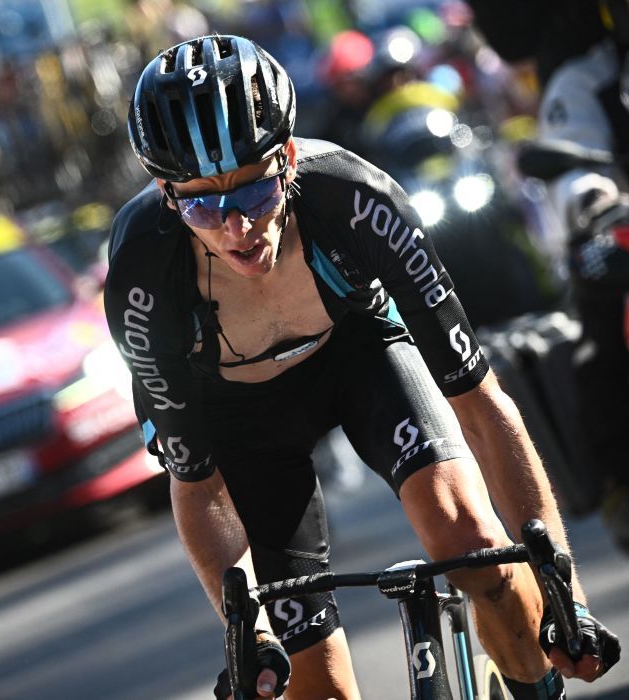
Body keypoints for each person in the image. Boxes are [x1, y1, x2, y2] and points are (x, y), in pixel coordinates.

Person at [104, 34, 621, 699]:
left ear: (287, 160)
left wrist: (565, 592)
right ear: (167, 194)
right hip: (239, 417)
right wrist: (251, 631)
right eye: (205, 205)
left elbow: (482, 405)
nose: (237, 228)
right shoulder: (144, 275)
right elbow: (197, 485)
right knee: (314, 686)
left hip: (362, 356)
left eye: (255, 195)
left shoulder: (354, 199)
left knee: (473, 544)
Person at [467, 0, 629, 553]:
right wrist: (597, 206)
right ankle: (620, 483)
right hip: (620, 237)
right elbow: (575, 160)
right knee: (604, 334)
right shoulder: (590, 73)